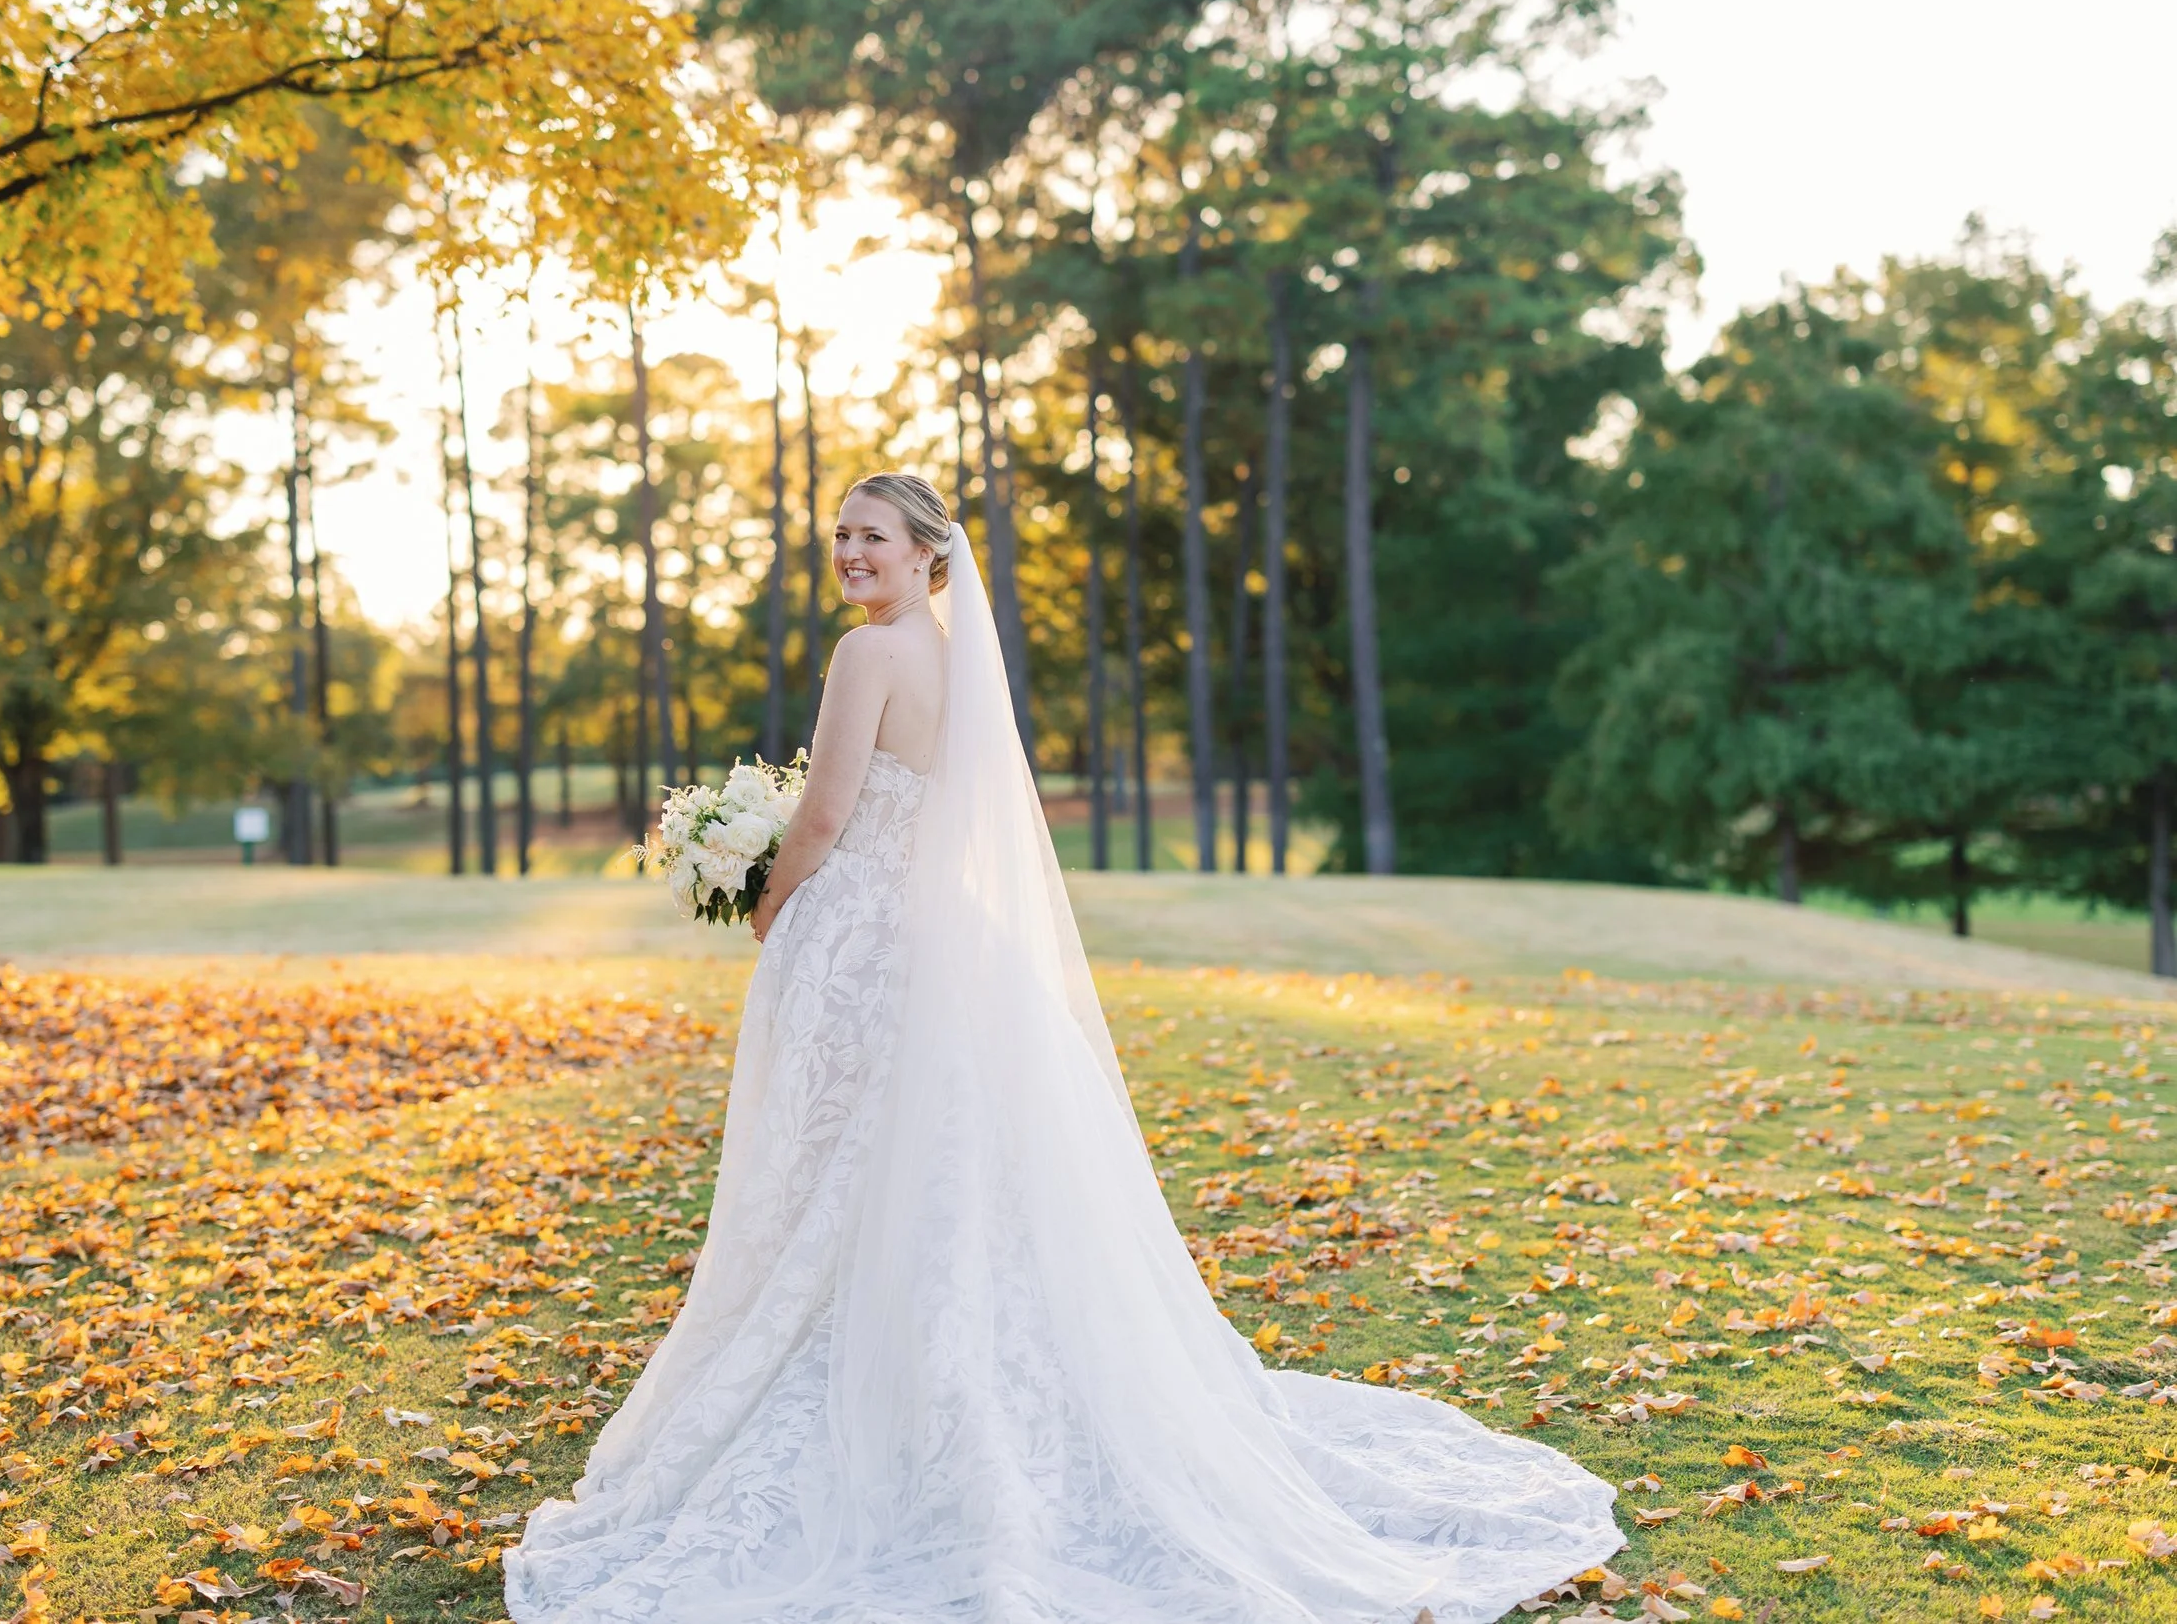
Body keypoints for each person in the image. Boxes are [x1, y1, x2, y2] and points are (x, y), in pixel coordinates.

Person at [505, 471, 1621, 1624]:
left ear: (927, 551)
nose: (849, 551)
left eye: (872, 536)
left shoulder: (864, 653)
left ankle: (879, 1398)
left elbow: (829, 814)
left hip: (864, 946)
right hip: (940, 941)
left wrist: (767, 895)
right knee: (930, 1174)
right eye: (840, 534)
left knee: (844, 1177)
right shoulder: (953, 657)